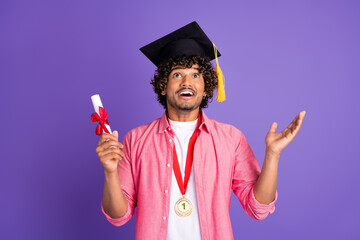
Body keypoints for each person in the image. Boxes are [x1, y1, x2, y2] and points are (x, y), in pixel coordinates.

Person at [95, 21, 306, 240]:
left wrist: (272, 155)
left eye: (196, 75)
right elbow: (118, 216)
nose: (187, 82)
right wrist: (110, 172)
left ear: (206, 88)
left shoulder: (231, 138)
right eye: (177, 75)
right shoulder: (136, 140)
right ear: (163, 85)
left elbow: (258, 209)